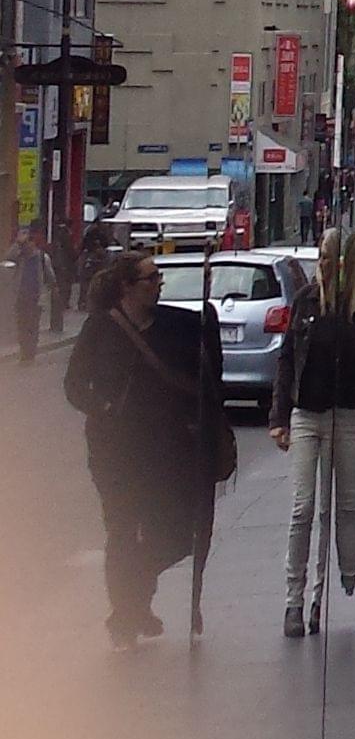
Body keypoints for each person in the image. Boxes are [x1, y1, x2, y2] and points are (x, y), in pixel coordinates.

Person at [70, 248, 230, 642]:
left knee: (172, 533)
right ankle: (126, 616)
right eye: (151, 278)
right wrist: (104, 407)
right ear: (127, 287)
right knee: (122, 530)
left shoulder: (172, 327)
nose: (159, 284)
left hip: (164, 451)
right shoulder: (100, 329)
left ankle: (135, 595)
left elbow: (205, 368)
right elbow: (74, 385)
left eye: (159, 277)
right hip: (114, 452)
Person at [274, 225, 355, 634]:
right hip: (308, 413)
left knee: (344, 508)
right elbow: (288, 360)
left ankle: (328, 589)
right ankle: (294, 601)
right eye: (323, 257)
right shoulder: (307, 302)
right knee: (303, 507)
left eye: (334, 258)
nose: (325, 266)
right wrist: (279, 416)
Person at [13, 222, 51, 364]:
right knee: (21, 325)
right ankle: (24, 352)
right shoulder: (19, 256)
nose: (27, 246)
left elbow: (50, 277)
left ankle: (30, 354)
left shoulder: (42, 258)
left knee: (32, 326)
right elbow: (7, 257)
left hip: (35, 299)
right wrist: (18, 245)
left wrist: (52, 291)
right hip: (21, 297)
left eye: (28, 243)